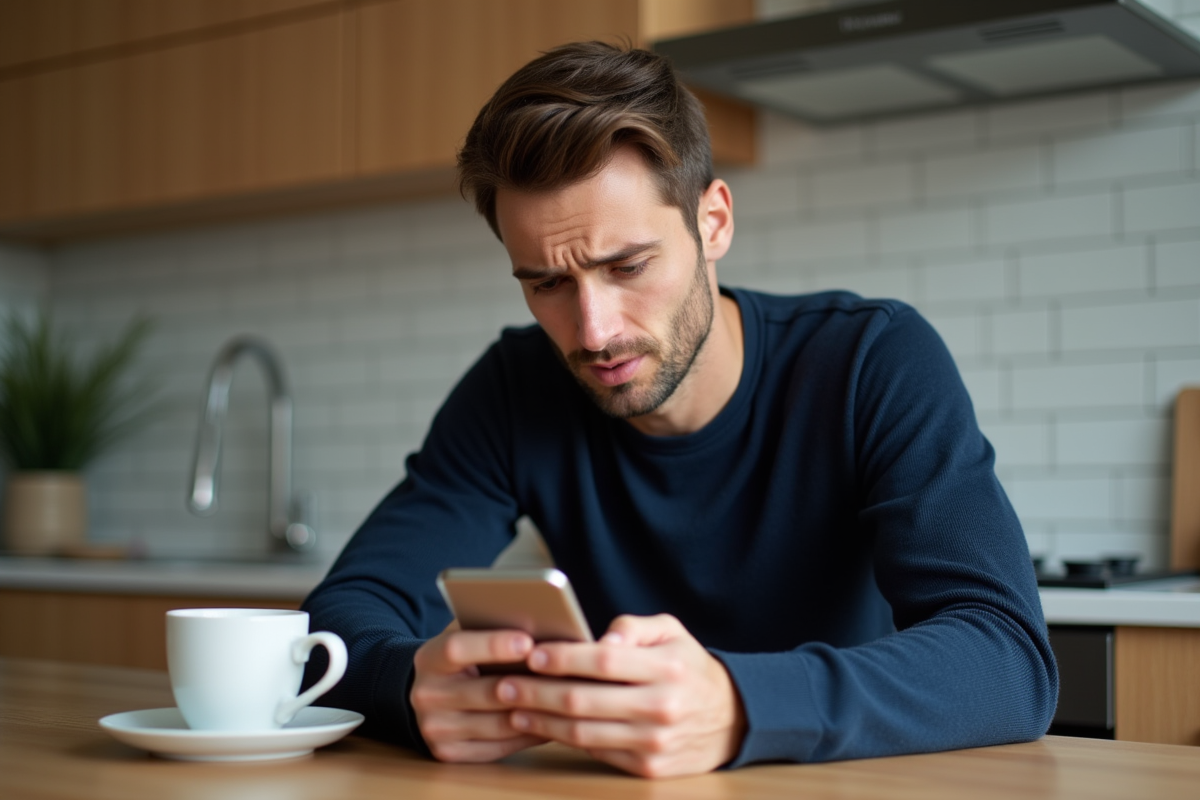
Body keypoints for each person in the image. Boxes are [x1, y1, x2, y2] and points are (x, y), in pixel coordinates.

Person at [301, 41, 1058, 779]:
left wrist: (736, 704)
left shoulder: (872, 361)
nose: (594, 333)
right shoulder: (514, 387)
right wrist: (403, 685)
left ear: (714, 222)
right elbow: (339, 618)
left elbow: (1007, 660)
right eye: (547, 284)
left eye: (627, 266)